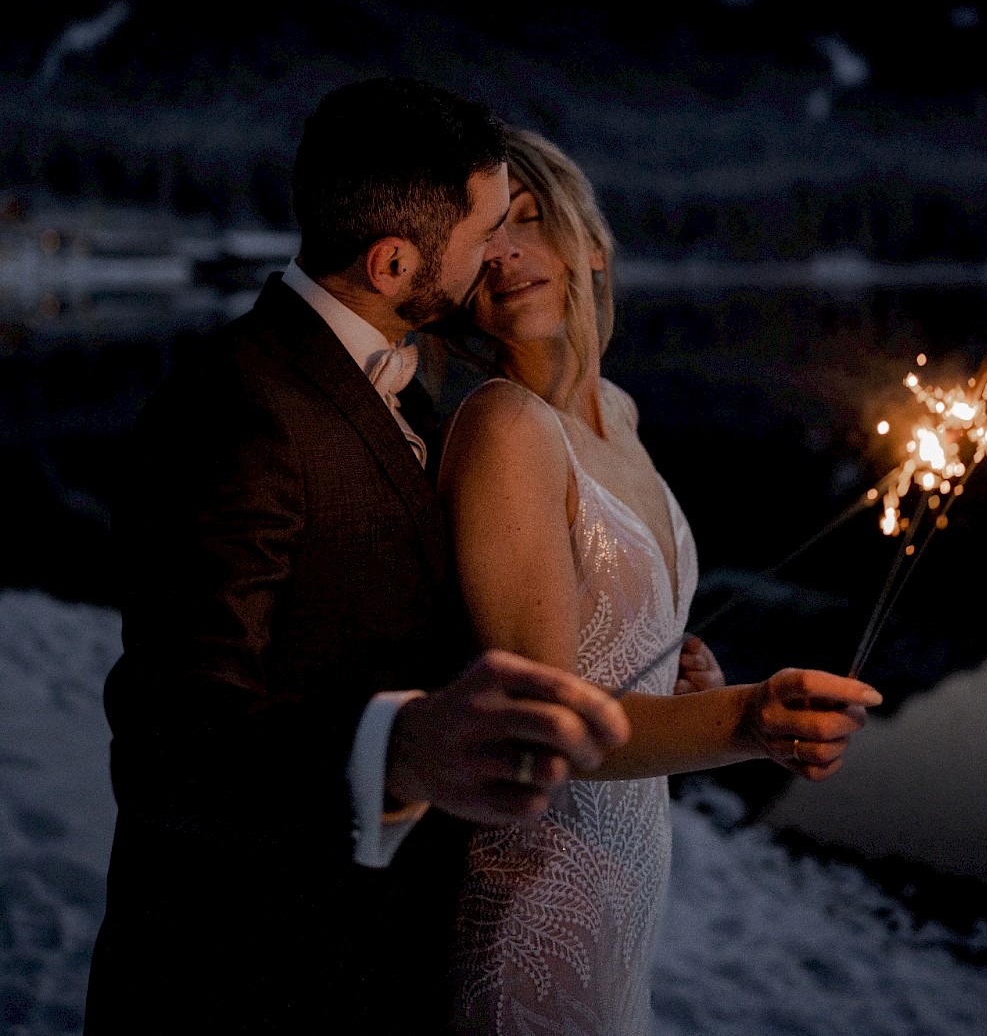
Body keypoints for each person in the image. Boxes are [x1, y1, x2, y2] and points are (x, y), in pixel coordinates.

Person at [84, 80, 630, 1036]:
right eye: (487, 230)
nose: (501, 254)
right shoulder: (236, 406)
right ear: (391, 261)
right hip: (241, 980)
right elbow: (174, 735)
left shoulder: (403, 383)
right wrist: (400, 746)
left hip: (378, 965)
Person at [438, 127, 882, 1035]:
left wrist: (688, 686)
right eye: (486, 238)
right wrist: (747, 721)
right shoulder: (503, 426)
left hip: (631, 884)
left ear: (591, 244)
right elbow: (546, 728)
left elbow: (613, 660)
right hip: (539, 897)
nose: (510, 253)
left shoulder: (621, 412)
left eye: (529, 220)